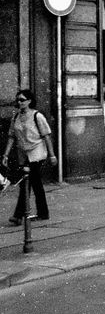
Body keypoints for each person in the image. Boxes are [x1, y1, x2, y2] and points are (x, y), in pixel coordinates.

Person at [3, 89, 55, 225]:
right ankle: (43, 213)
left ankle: (18, 215)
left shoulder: (37, 116)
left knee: (26, 182)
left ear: (29, 101)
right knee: (35, 183)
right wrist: (6, 155)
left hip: (37, 152)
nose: (19, 102)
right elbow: (11, 137)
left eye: (22, 100)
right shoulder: (16, 117)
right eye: (18, 100)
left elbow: (46, 136)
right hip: (23, 154)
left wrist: (52, 155)